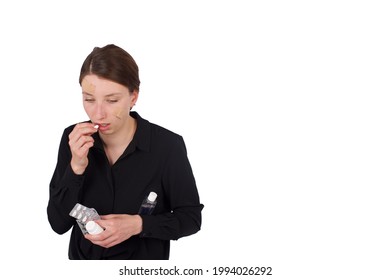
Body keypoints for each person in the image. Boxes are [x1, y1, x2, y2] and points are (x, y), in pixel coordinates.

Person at [47, 44, 203, 260]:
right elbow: (58, 224)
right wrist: (76, 167)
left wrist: (138, 225)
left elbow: (191, 218)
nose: (98, 113)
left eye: (112, 100)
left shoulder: (167, 146)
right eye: (89, 99)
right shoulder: (72, 139)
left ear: (133, 97)